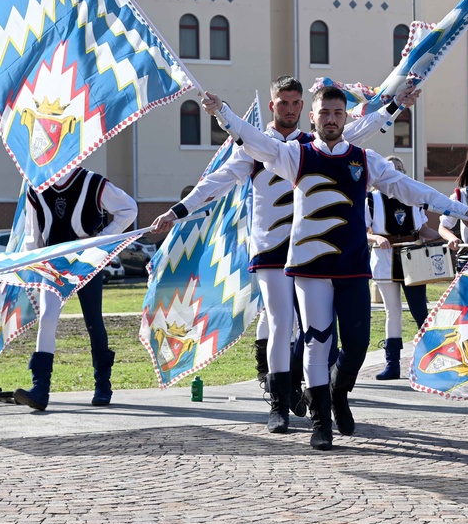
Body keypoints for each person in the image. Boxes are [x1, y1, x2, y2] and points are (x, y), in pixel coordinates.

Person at [200, 86, 468, 451]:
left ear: (345, 117)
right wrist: (223, 111)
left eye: (337, 112)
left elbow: (410, 189)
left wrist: (461, 211)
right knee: (318, 341)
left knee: (358, 343)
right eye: (324, 112)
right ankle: (320, 421)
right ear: (313, 116)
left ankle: (338, 391)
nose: (331, 119)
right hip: (309, 267)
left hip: (352, 265)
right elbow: (254, 141)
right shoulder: (294, 156)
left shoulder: (364, 159)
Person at [152, 76, 420, 435]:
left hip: (313, 250)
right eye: (284, 103)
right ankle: (279, 402)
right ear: (272, 106)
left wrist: (395, 105)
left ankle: (314, 389)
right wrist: (178, 210)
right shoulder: (257, 146)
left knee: (320, 333)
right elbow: (216, 182)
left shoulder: (313, 143)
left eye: (296, 103)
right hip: (271, 249)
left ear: (304, 110)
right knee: (281, 322)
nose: (290, 110)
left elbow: (361, 128)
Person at [12, 166, 138, 411]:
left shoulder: (92, 181)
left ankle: (103, 384)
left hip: (86, 260)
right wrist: (37, 265)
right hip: (53, 262)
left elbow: (129, 209)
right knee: (47, 318)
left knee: (93, 321)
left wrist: (102, 239)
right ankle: (40, 389)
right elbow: (32, 235)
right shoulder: (35, 187)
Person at [366, 156, 444, 380]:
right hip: (385, 258)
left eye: (399, 169)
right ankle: (392, 364)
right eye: (390, 169)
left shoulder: (413, 199)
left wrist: (445, 237)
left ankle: (433, 361)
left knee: (420, 310)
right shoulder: (371, 199)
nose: (395, 172)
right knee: (393, 311)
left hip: (413, 257)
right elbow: (363, 232)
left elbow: (424, 230)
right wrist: (377, 238)